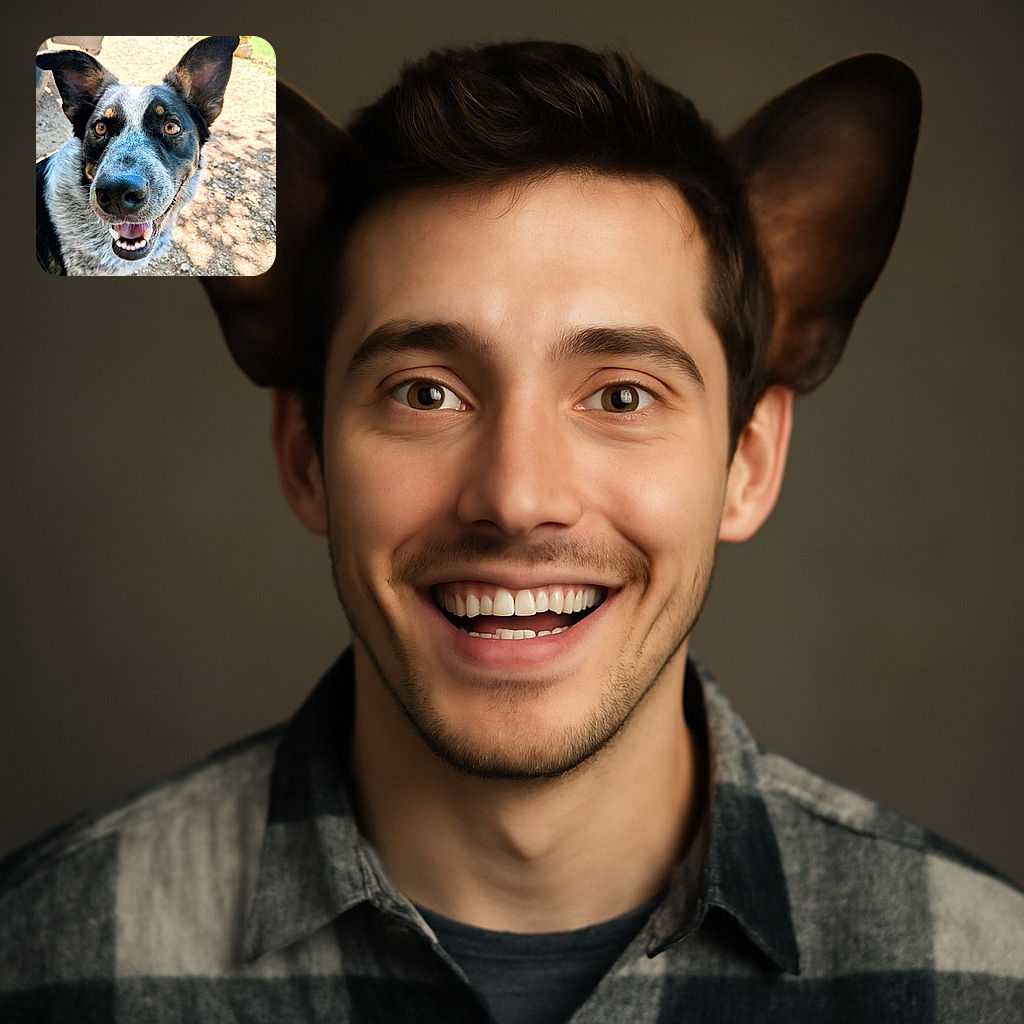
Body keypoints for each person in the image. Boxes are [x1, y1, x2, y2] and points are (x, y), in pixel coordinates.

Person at [2, 41, 1021, 1023]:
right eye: (426, 391)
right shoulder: (39, 961)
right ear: (305, 453)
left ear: (747, 462)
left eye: (621, 393)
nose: (517, 494)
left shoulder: (986, 979)